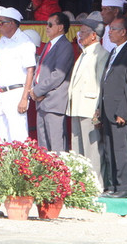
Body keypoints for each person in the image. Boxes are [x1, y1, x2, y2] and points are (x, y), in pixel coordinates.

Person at [98, 16, 127, 197]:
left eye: (113, 29)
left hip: (119, 111)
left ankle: (124, 186)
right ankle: (112, 185)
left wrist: (124, 111)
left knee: (121, 150)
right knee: (109, 148)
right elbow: (106, 81)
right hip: (107, 109)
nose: (110, 32)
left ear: (123, 32)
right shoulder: (114, 51)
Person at [66, 17, 110, 191]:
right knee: (78, 148)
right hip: (76, 106)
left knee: (92, 149)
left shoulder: (101, 54)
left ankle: (95, 185)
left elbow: (101, 83)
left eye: (83, 32)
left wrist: (98, 109)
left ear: (94, 36)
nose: (79, 36)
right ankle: (79, 185)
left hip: (90, 107)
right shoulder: (84, 53)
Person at [0, 6, 36, 142]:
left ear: (12, 23)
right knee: (3, 134)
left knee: (18, 135)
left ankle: (21, 163)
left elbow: (30, 71)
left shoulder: (25, 42)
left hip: (16, 92)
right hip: (1, 93)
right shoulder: (2, 41)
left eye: (1, 23)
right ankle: (5, 163)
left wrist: (24, 98)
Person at [31, 12, 75, 151]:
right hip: (41, 101)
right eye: (46, 24)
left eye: (50, 25)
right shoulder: (49, 44)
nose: (47, 28)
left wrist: (37, 91)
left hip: (53, 102)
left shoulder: (65, 46)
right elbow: (40, 70)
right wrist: (34, 90)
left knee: (56, 146)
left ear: (61, 27)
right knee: (43, 146)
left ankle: (59, 173)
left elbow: (58, 75)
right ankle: (45, 173)